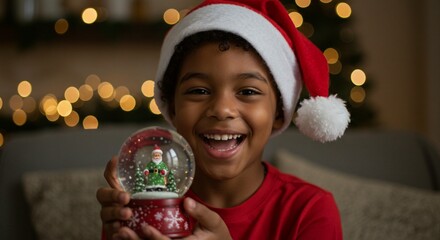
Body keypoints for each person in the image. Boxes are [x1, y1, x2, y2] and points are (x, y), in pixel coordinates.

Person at [96, 0, 350, 239]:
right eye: (199, 91)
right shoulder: (146, 208)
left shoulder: (310, 211)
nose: (221, 109)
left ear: (279, 112)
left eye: (248, 92)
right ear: (172, 108)